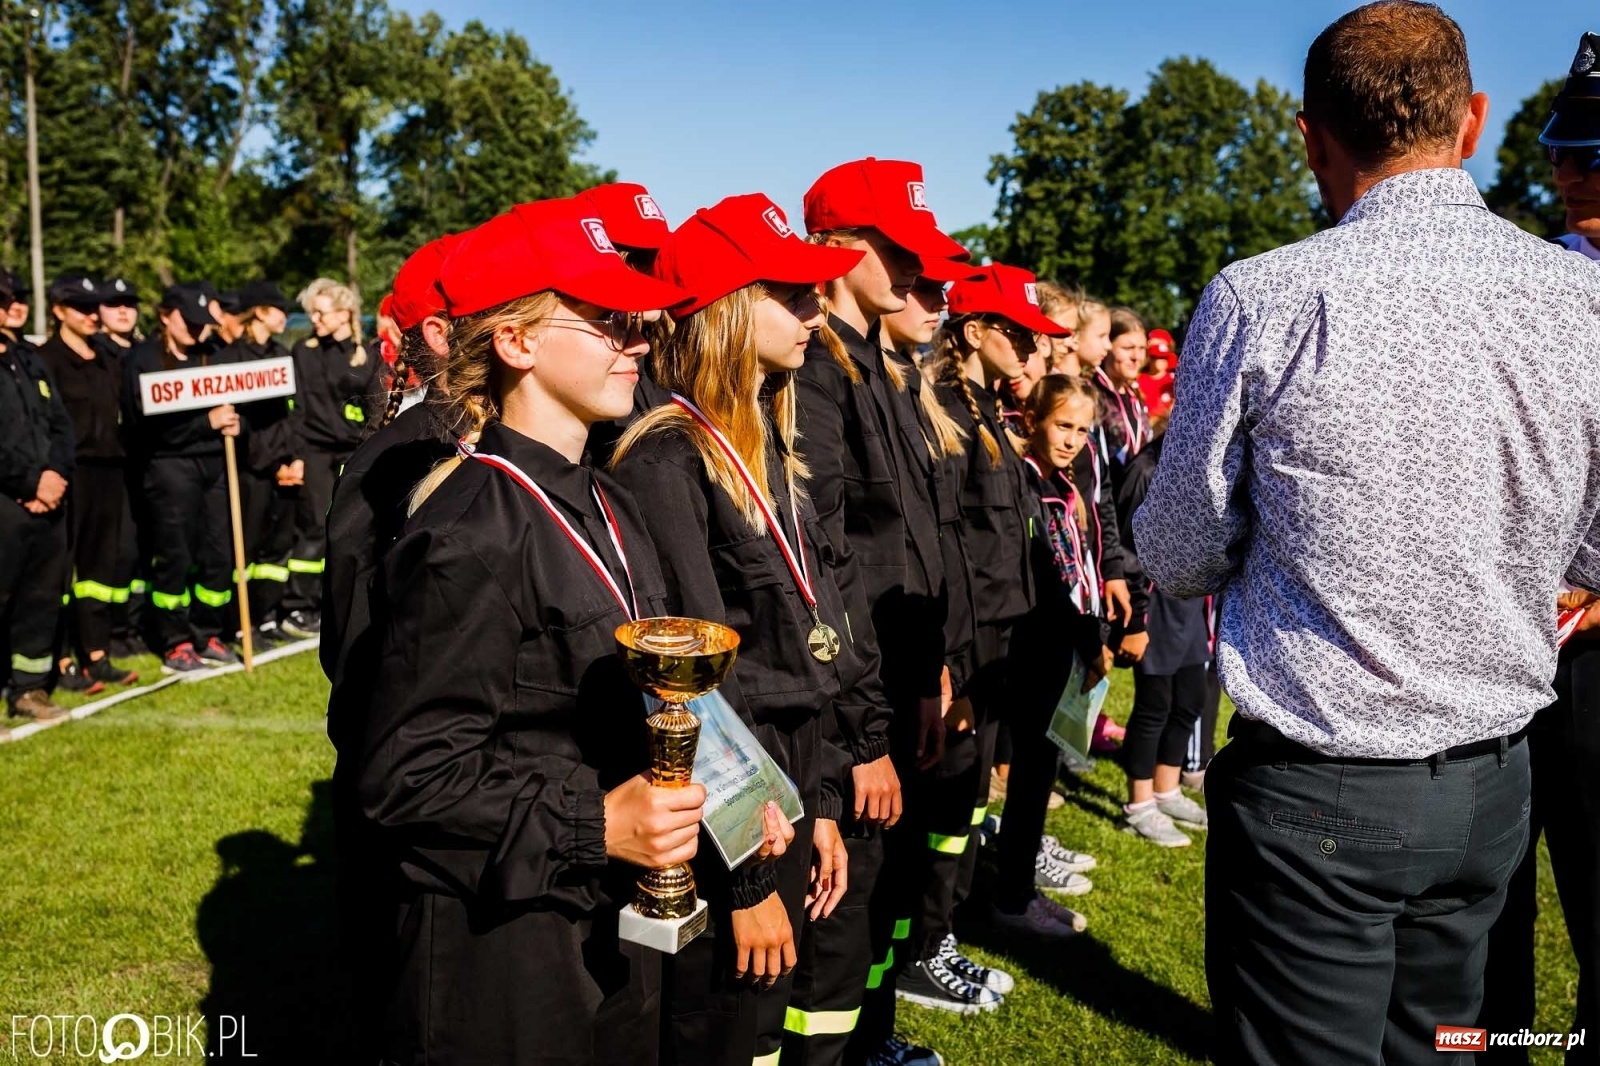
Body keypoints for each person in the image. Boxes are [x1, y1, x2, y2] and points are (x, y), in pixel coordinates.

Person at [1133, 4, 1600, 1062]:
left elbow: (1178, 549)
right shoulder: (1580, 298)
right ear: (1472, 121)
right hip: (1487, 786)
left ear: (1309, 137)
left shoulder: (1265, 296)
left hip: (1319, 786)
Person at [356, 198, 701, 1064]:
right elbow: (406, 779)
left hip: (602, 921)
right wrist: (596, 826)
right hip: (499, 955)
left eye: (641, 319)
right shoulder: (469, 529)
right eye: (610, 320)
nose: (640, 337)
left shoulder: (609, 499)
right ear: (517, 342)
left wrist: (732, 805)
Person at [610, 191, 860, 1066]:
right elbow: (692, 700)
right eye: (789, 292)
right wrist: (747, 877)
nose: (815, 309)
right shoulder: (665, 460)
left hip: (787, 791)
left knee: (762, 1026)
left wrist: (821, 802)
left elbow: (802, 646)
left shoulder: (763, 445)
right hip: (726, 827)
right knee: (720, 1028)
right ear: (722, 311)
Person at [795, 157, 977, 1065]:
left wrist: (933, 666)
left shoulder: (879, 366)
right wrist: (860, 729)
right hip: (850, 696)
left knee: (883, 900)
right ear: (835, 248)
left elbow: (912, 539)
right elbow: (826, 562)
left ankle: (871, 1044)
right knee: (842, 915)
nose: (914, 273)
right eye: (895, 250)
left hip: (900, 680)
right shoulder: (816, 371)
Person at [1481, 31, 1600, 1062]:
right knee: (1492, 899)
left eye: (1592, 157)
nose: (1567, 173)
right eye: (1564, 152)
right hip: (1505, 639)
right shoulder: (1520, 285)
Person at [911, 262, 1062, 1015]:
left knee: (967, 805)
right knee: (943, 807)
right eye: (1022, 332)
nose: (1034, 349)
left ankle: (942, 931)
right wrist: (956, 670)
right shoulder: (941, 410)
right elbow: (950, 554)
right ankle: (922, 949)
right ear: (975, 331)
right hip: (967, 649)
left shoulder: (982, 409)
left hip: (999, 643)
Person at [991, 373, 1104, 936]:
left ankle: (1021, 883)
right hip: (1030, 647)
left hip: (1061, 643)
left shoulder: (1063, 483)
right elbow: (1038, 574)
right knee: (1029, 775)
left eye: (1083, 430)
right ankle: (1010, 896)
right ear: (1033, 418)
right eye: (1063, 425)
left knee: (1042, 774)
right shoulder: (1022, 480)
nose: (1073, 439)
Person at [121, 284, 242, 672]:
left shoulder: (214, 355)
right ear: (165, 316)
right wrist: (204, 423)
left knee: (219, 553)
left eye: (202, 324)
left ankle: (207, 631)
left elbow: (243, 401)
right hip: (169, 467)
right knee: (175, 554)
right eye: (189, 322)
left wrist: (238, 424)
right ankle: (175, 641)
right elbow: (142, 427)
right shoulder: (142, 359)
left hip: (215, 467)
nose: (196, 331)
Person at [37, 276, 139, 692]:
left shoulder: (107, 355)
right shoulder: (45, 359)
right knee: (61, 568)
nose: (91, 315)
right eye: (80, 307)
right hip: (68, 473)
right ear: (59, 310)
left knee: (100, 568)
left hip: (109, 471)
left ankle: (95, 654)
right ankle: (59, 658)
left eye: (93, 307)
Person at [1114, 432, 1210, 848]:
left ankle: (1167, 789)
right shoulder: (1145, 469)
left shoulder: (1197, 466)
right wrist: (1135, 616)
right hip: (1154, 604)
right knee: (1155, 705)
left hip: (1189, 603)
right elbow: (1124, 548)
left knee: (1189, 699)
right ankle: (1139, 804)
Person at [281, 278, 381, 639]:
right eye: (311, 313)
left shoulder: (366, 355)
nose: (314, 320)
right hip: (313, 451)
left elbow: (376, 409)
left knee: (352, 526)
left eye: (320, 313)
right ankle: (298, 606)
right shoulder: (303, 353)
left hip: (353, 451)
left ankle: (341, 602)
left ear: (344, 314)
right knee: (314, 526)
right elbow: (298, 409)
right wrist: (294, 456)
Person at [1, 272, 75, 720]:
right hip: (9, 499)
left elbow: (61, 426)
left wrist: (55, 474)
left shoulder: (28, 357)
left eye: (21, 297)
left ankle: (29, 689)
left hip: (48, 499)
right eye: (5, 299)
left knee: (42, 597)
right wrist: (31, 482)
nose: (15, 305)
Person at [214, 281, 299, 645]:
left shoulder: (281, 353)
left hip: (282, 466)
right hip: (249, 469)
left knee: (275, 548)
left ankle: (266, 617)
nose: (285, 316)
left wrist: (291, 458)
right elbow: (240, 421)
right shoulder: (229, 359)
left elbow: (288, 414)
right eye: (278, 309)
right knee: (245, 549)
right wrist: (268, 462)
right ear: (260, 312)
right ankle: (238, 622)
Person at [1137, 328, 1176, 422]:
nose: (1160, 360)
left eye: (1164, 357)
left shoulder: (1174, 381)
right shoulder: (1138, 379)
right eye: (1155, 357)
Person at [96, 277, 142, 349]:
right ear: (98, 310)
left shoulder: (148, 350)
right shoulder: (91, 350)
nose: (123, 311)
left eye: (129, 304)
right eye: (113, 304)